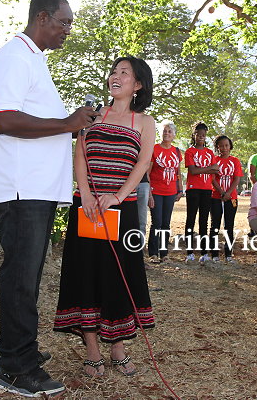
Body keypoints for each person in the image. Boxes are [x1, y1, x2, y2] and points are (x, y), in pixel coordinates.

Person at [0, 0, 99, 397]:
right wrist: (67, 123)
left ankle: (20, 349)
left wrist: (72, 124)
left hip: (38, 189)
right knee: (20, 278)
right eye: (64, 22)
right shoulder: (14, 56)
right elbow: (5, 121)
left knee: (28, 277)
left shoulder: (35, 60)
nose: (68, 30)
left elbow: (38, 121)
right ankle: (15, 368)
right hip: (22, 188)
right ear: (42, 17)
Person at [53, 56, 156, 378]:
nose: (116, 76)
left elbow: (143, 163)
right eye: (113, 71)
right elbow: (79, 154)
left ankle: (118, 348)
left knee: (118, 277)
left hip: (121, 210)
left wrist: (117, 196)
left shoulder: (145, 122)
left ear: (137, 84)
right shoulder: (92, 115)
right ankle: (92, 351)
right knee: (85, 274)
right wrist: (85, 194)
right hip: (86, 207)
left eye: (124, 73)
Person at [148, 120, 182, 263]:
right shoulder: (154, 149)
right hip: (156, 191)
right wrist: (149, 194)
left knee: (166, 223)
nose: (166, 133)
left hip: (170, 192)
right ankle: (153, 253)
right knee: (157, 222)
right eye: (164, 131)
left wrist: (180, 189)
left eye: (169, 131)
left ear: (173, 135)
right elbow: (147, 173)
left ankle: (164, 253)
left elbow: (178, 173)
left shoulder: (177, 152)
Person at [184, 122, 219, 262]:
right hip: (193, 189)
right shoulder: (190, 151)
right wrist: (209, 169)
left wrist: (202, 169)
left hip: (206, 189)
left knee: (204, 221)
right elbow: (192, 170)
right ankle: (189, 252)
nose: (201, 137)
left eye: (203, 135)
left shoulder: (210, 153)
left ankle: (204, 253)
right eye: (198, 134)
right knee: (190, 220)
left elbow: (216, 169)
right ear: (194, 135)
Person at [205, 135, 243, 263]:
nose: (224, 148)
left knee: (229, 226)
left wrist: (228, 193)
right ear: (217, 147)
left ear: (230, 146)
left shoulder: (235, 161)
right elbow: (212, 179)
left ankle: (228, 254)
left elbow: (237, 179)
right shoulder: (214, 160)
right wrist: (221, 192)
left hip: (232, 198)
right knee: (214, 225)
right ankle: (214, 254)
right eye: (221, 146)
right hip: (216, 197)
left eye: (226, 145)